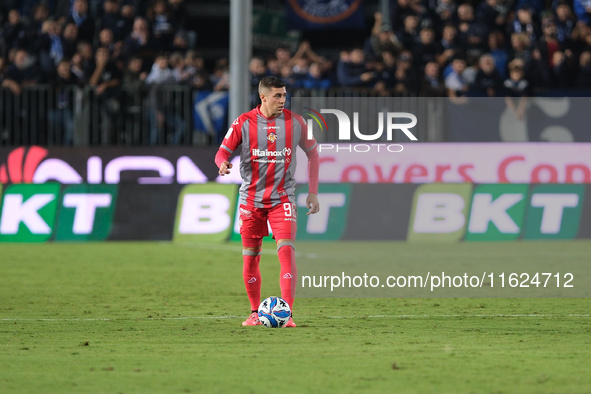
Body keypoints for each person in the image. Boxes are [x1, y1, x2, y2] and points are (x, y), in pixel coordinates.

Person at [214, 76, 320, 327]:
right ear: (263, 97)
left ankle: (288, 314)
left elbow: (313, 154)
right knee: (251, 257)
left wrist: (313, 192)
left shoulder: (296, 123)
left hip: (283, 198)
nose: (283, 100)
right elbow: (222, 152)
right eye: (277, 96)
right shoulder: (243, 122)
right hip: (251, 200)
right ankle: (254, 312)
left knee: (286, 251)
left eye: (284, 95)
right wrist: (223, 164)